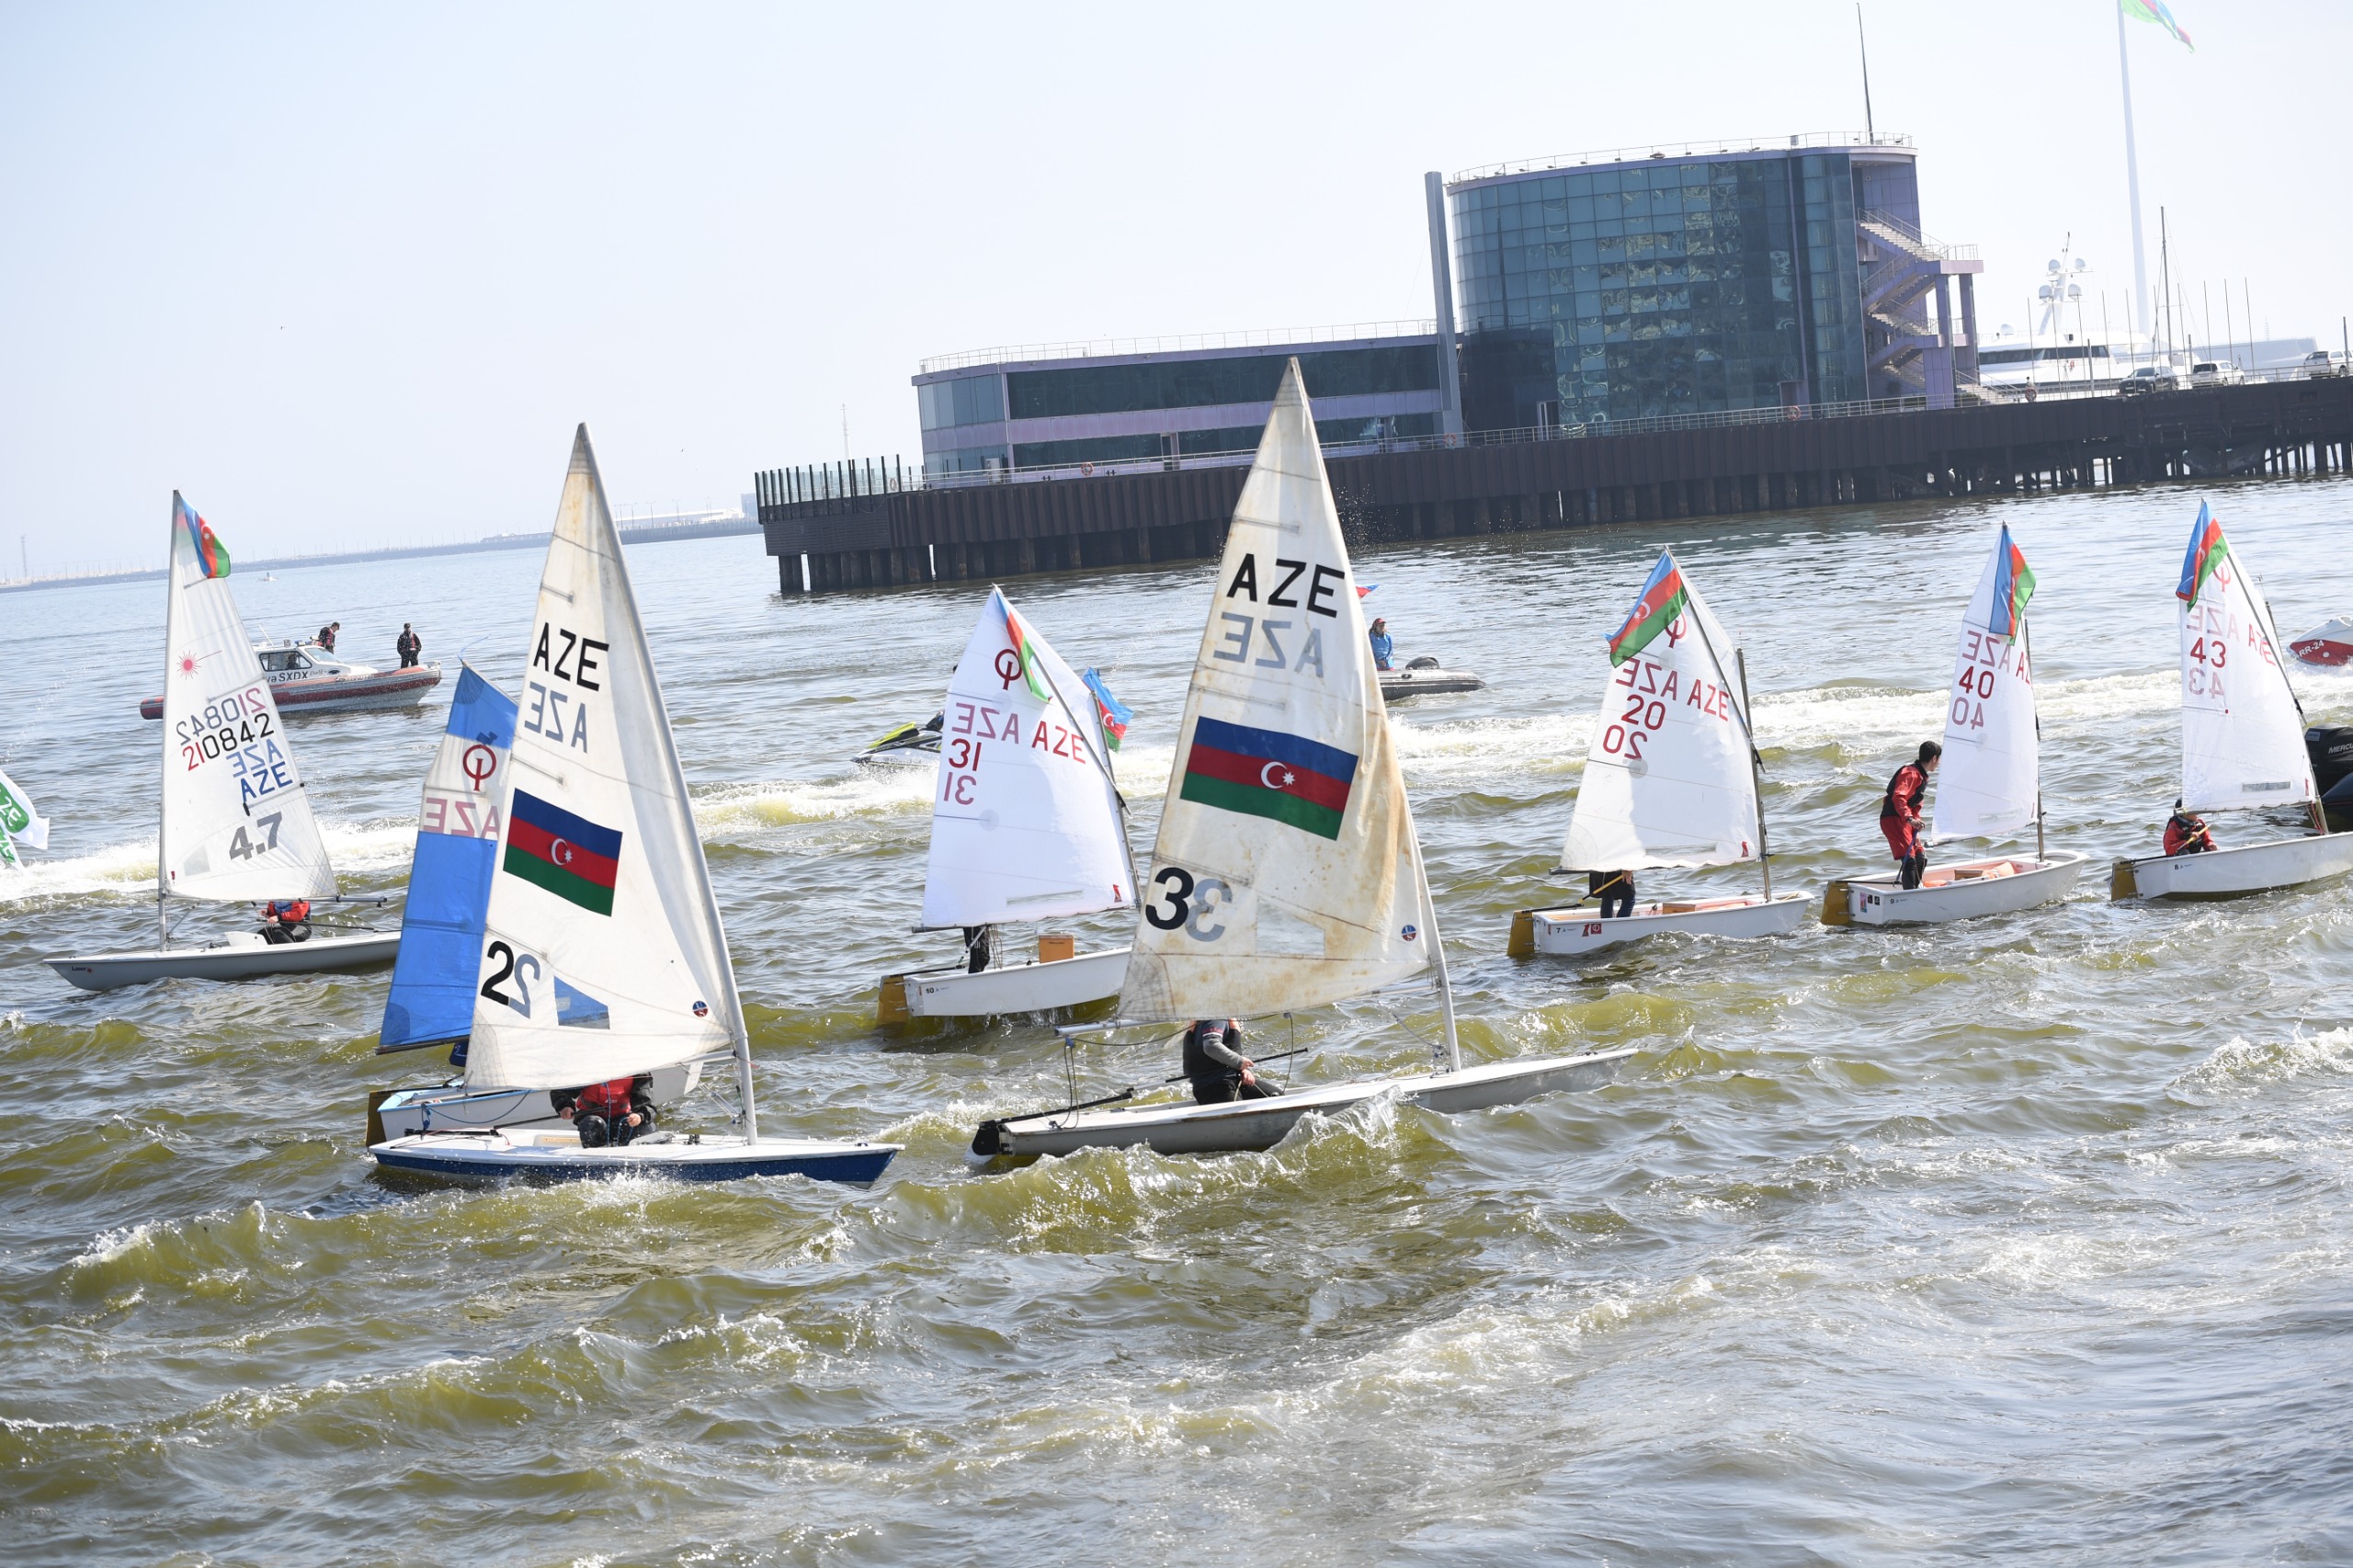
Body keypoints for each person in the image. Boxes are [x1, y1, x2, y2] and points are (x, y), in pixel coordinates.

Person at [1879, 741, 1942, 891]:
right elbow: (1898, 797)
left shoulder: (1921, 775)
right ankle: (1911, 895)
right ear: (1934, 758)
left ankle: (1916, 888)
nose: (1939, 763)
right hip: (1893, 820)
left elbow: (1914, 806)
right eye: (1939, 759)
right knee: (1910, 861)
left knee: (1921, 858)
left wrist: (1915, 824)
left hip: (1906, 821)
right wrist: (1909, 819)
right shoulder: (1910, 773)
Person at [1183, 1017, 1279, 1105]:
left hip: (1232, 1080)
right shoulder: (1216, 1019)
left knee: (1277, 1097)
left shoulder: (1209, 1019)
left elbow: (1230, 1049)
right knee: (1242, 1112)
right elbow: (1211, 1046)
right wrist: (1239, 1062)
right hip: (1215, 1087)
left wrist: (1243, 1070)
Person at [551, 1073, 656, 1147]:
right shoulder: (586, 1070)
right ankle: (592, 1160)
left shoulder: (637, 1070)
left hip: (623, 1118)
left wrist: (639, 1116)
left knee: (642, 1127)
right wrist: (564, 1106)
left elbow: (647, 1105)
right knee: (593, 1123)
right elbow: (560, 1092)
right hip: (592, 1119)